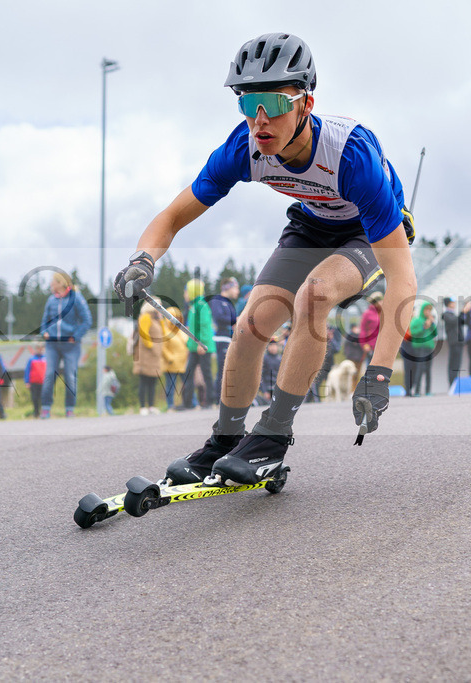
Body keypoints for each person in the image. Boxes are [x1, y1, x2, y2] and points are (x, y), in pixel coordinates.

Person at [114, 32, 416, 486]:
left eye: (273, 104)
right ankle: (227, 440)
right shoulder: (245, 147)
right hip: (312, 223)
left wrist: (378, 372)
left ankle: (273, 436)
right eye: (246, 104)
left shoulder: (352, 157)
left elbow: (404, 282)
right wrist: (142, 261)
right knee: (251, 324)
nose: (260, 120)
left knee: (314, 297)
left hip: (366, 230)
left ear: (304, 103)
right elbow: (171, 217)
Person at [40, 271, 92, 418]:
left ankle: (69, 409)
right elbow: (45, 320)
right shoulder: (51, 300)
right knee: (49, 374)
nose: (50, 284)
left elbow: (87, 320)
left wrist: (75, 336)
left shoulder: (76, 298)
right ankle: (45, 408)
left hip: (70, 345)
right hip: (52, 345)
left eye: (53, 281)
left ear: (60, 283)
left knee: (70, 376)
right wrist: (44, 331)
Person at [179, 279, 216, 410]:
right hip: (195, 347)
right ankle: (187, 403)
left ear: (192, 291)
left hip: (203, 347)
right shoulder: (193, 306)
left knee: (206, 374)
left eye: (186, 291)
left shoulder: (201, 305)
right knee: (188, 373)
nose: (185, 294)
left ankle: (210, 402)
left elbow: (205, 326)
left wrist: (202, 344)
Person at [209, 277, 239, 405]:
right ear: (229, 287)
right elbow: (218, 317)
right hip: (220, 338)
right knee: (222, 368)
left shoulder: (229, 303)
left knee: (229, 369)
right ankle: (217, 399)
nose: (237, 291)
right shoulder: (217, 300)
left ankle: (227, 398)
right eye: (236, 288)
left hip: (229, 338)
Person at [134, 299, 165, 415]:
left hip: (154, 356)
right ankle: (143, 407)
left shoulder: (156, 319)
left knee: (153, 381)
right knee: (144, 381)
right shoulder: (146, 317)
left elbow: (163, 331)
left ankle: (151, 406)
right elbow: (144, 334)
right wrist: (152, 346)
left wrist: (161, 319)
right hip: (146, 355)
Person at [161, 305, 188, 410]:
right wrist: (170, 358)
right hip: (171, 364)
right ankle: (170, 405)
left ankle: (191, 403)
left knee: (187, 384)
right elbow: (163, 348)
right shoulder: (165, 332)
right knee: (170, 386)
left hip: (183, 363)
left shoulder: (182, 331)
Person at [407, 302, 436, 396]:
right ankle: (417, 391)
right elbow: (414, 332)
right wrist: (424, 327)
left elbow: (435, 333)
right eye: (427, 310)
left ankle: (428, 390)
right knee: (420, 368)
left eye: (430, 310)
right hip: (420, 347)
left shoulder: (430, 321)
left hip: (429, 347)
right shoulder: (417, 320)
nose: (428, 312)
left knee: (428, 369)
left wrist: (432, 324)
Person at [441, 297, 464, 386]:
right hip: (453, 342)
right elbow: (453, 321)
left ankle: (455, 382)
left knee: (457, 364)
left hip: (459, 342)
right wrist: (462, 312)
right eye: (452, 302)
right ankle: (452, 383)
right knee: (453, 363)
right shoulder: (446, 314)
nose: (454, 304)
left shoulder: (453, 314)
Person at [23, 344, 47, 418]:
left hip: (43, 382)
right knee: (35, 398)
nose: (40, 350)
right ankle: (36, 412)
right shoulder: (32, 359)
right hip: (34, 382)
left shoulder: (46, 359)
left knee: (43, 397)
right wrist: (27, 382)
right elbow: (27, 371)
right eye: (39, 348)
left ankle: (44, 412)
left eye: (42, 349)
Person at [359, 291, 383, 364]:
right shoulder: (367, 314)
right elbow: (363, 330)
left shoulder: (385, 312)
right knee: (371, 368)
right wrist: (364, 344)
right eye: (379, 301)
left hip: (383, 345)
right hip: (371, 346)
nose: (381, 302)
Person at [259, 336, 283, 405]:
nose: (273, 347)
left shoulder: (280, 359)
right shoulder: (264, 359)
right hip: (267, 390)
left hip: (277, 390)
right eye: (271, 345)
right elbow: (261, 376)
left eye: (275, 345)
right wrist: (265, 391)